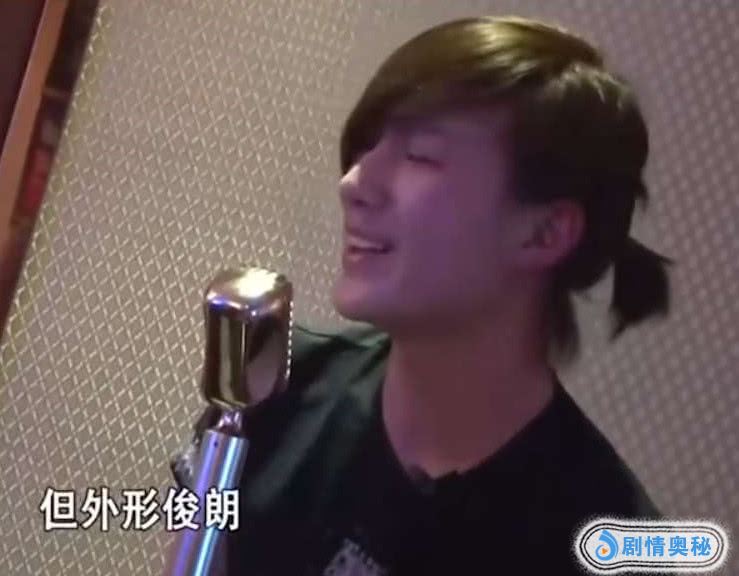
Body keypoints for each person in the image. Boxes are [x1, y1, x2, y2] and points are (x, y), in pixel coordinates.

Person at [172, 15, 673, 575]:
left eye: (420, 156)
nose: (354, 183)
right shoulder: (277, 392)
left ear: (544, 232)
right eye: (368, 146)